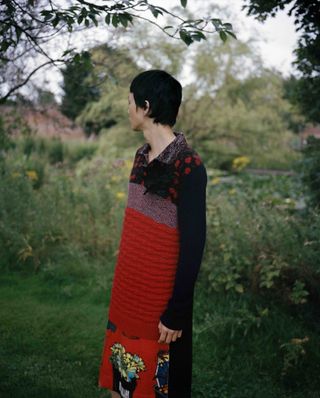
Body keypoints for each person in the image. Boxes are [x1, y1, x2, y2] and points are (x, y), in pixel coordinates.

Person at [98, 69, 207, 398]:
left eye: (129, 102)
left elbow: (192, 248)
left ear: (145, 107)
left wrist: (176, 312)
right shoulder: (141, 156)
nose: (127, 109)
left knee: (154, 390)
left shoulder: (188, 165)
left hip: (159, 307)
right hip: (126, 295)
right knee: (122, 387)